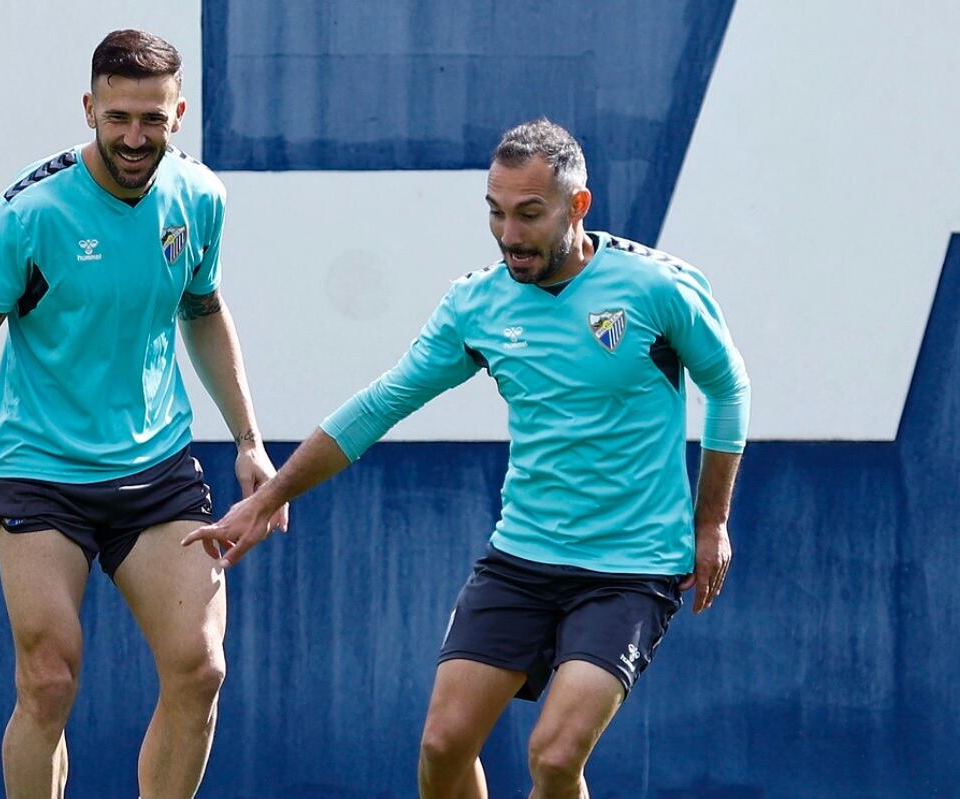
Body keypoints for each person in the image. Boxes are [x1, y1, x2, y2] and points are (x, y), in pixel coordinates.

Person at [184, 118, 749, 799]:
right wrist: (268, 495)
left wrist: (708, 521)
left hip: (629, 569)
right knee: (442, 745)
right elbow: (379, 405)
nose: (509, 235)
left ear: (577, 206)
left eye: (528, 214)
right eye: (496, 213)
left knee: (552, 753)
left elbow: (726, 386)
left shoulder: (658, 288)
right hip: (521, 559)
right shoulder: (476, 305)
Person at [0, 29, 288, 799]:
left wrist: (249, 441)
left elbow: (202, 309)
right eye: (117, 118)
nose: (135, 137)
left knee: (200, 667)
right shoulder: (29, 213)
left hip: (156, 468)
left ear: (179, 111)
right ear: (89, 109)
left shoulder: (199, 197)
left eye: (152, 118)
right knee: (47, 681)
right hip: (41, 472)